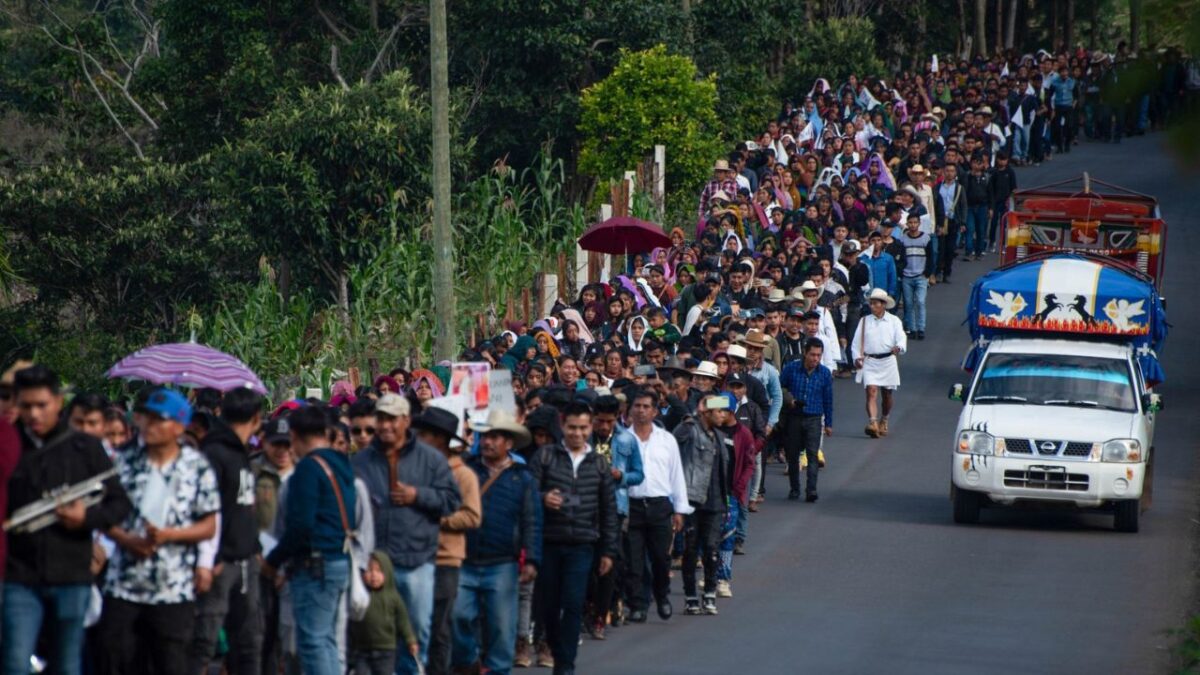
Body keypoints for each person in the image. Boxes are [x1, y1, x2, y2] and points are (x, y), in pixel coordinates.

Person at [4, 365, 131, 675]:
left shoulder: (85, 447)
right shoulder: (8, 445)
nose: (33, 414)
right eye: (26, 405)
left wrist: (86, 516)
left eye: (41, 405)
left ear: (58, 402)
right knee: (15, 662)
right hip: (19, 576)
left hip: (71, 574)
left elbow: (119, 504)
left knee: (67, 664)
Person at [98, 388, 220, 675]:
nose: (149, 426)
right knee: (117, 661)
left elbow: (209, 525)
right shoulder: (123, 461)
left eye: (159, 420)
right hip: (123, 586)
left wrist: (169, 536)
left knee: (171, 664)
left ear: (179, 426)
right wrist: (128, 540)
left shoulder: (197, 467)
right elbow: (102, 515)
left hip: (173, 589)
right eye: (146, 418)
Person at [353, 394, 462, 673]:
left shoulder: (431, 459)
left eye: (392, 419)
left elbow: (451, 500)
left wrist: (418, 495)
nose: (386, 425)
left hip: (417, 561)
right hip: (373, 563)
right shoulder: (361, 461)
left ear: (406, 421)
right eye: (381, 418)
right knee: (373, 640)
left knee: (415, 637)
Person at [531, 401, 619, 675]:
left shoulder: (599, 464)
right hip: (548, 542)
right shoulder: (545, 457)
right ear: (563, 426)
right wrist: (544, 498)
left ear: (589, 427)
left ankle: (565, 664)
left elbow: (608, 511)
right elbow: (527, 496)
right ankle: (556, 652)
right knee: (548, 606)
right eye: (572, 428)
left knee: (572, 604)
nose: (577, 433)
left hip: (582, 545)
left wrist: (608, 551)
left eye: (582, 428)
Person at [452, 410, 542, 675]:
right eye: (485, 436)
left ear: (509, 443)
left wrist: (533, 560)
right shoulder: (468, 470)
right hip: (465, 561)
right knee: (458, 617)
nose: (488, 442)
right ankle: (469, 660)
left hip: (503, 564)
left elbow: (532, 520)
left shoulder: (522, 478)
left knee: (502, 630)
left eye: (495, 437)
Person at [192, 387, 266, 675]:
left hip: (246, 560)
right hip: (219, 563)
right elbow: (206, 508)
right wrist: (212, 558)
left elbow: (242, 509)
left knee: (248, 643)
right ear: (257, 418)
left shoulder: (240, 453)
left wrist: (254, 548)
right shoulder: (214, 452)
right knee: (204, 641)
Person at [411, 407, 482, 675]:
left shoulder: (462, 474)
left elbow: (472, 517)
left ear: (440, 439)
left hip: (446, 558)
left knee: (441, 628)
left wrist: (438, 519)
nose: (419, 438)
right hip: (414, 555)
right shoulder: (414, 468)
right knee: (417, 628)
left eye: (425, 434)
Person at [623, 389, 691, 624]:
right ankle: (638, 604)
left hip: (660, 506)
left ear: (654, 411)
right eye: (637, 406)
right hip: (631, 506)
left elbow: (676, 476)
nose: (641, 410)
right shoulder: (623, 439)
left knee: (661, 559)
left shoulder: (667, 440)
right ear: (630, 410)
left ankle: (661, 596)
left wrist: (680, 509)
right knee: (634, 560)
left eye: (645, 406)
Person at [587, 394, 644, 639]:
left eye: (608, 421)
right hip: (586, 508)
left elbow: (639, 474)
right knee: (587, 563)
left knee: (611, 562)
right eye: (599, 421)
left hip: (616, 507)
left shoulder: (626, 439)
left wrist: (621, 476)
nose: (603, 426)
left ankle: (604, 612)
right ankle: (590, 607)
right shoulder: (582, 438)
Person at [674, 395, 730, 616]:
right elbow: (676, 437)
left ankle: (709, 593)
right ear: (706, 413)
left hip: (715, 502)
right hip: (693, 499)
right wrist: (693, 415)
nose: (722, 415)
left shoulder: (720, 436)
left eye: (724, 412)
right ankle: (690, 597)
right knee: (690, 549)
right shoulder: (690, 430)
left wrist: (726, 501)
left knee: (711, 549)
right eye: (718, 411)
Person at [780, 339, 834, 502]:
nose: (815, 359)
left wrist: (829, 424)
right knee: (793, 454)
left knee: (812, 455)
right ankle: (794, 488)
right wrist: (790, 400)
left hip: (814, 418)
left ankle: (811, 489)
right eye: (812, 355)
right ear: (805, 352)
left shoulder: (824, 373)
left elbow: (828, 399)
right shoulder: (791, 369)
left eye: (818, 355)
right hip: (794, 417)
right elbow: (780, 388)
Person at [349, 551, 419, 675]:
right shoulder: (360, 597)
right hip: (362, 650)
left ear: (387, 573)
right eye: (370, 570)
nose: (373, 575)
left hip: (386, 650)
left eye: (378, 571)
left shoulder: (394, 597)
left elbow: (403, 621)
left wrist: (410, 640)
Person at [852, 289, 908, 439]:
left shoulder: (894, 321)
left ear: (883, 305)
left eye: (875, 303)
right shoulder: (864, 321)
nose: (872, 306)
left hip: (888, 361)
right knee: (871, 391)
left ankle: (884, 419)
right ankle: (873, 422)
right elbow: (856, 343)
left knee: (887, 395)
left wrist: (899, 347)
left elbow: (901, 338)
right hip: (870, 361)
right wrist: (857, 358)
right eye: (871, 303)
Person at [895, 212, 934, 339]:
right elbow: (900, 258)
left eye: (915, 222)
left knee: (921, 302)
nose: (913, 225)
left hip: (921, 276)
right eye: (910, 223)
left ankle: (921, 328)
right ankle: (912, 329)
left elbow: (931, 257)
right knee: (908, 303)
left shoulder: (926, 238)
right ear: (907, 224)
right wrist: (901, 272)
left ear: (919, 223)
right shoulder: (903, 239)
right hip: (906, 276)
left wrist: (927, 273)